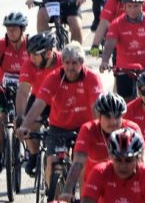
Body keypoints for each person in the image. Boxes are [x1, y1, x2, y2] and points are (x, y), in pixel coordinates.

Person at [17, 43, 102, 188]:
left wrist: (99, 131)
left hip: (84, 128)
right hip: (58, 126)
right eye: (67, 62)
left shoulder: (92, 78)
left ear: (82, 63)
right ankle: (52, 195)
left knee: (83, 167)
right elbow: (39, 104)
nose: (70, 67)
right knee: (51, 161)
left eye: (74, 63)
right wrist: (24, 125)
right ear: (62, 63)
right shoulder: (53, 78)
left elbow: (97, 108)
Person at [59, 92, 145, 203]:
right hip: (95, 183)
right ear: (99, 116)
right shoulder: (88, 129)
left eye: (117, 116)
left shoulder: (132, 129)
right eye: (108, 117)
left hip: (125, 182)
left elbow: (143, 160)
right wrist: (67, 190)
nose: (113, 122)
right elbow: (78, 162)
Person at [15, 32, 61, 177]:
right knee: (26, 124)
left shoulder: (63, 62)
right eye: (29, 54)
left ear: (48, 54)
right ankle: (34, 154)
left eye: (35, 55)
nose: (31, 58)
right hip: (38, 99)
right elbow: (23, 91)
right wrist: (21, 116)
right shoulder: (29, 64)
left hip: (60, 100)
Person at [80, 127, 145, 203]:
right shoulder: (99, 172)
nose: (123, 166)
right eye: (118, 160)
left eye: (128, 160)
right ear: (111, 157)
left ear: (138, 158)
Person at [0, 11, 28, 154]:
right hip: (3, 88)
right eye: (8, 29)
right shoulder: (2, 45)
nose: (10, 32)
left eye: (14, 29)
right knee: (1, 119)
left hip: (25, 88)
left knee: (28, 118)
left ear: (22, 29)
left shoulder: (30, 45)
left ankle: (31, 151)